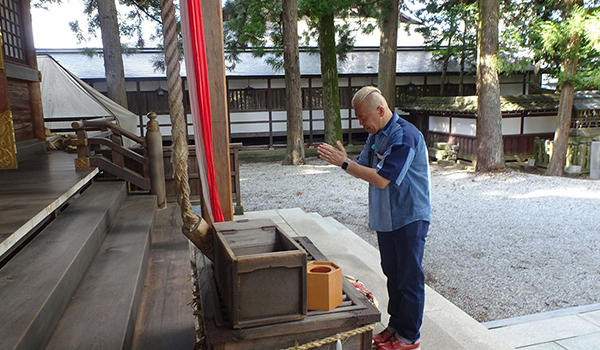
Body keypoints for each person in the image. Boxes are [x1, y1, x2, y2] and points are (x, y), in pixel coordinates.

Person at [317, 86, 431, 350]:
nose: (361, 123)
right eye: (358, 119)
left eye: (362, 117)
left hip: (410, 217)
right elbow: (362, 166)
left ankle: (409, 337)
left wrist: (345, 163)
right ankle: (395, 327)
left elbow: (380, 179)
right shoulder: (377, 135)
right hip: (388, 218)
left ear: (380, 110)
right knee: (392, 274)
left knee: (409, 278)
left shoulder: (405, 136)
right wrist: (344, 162)